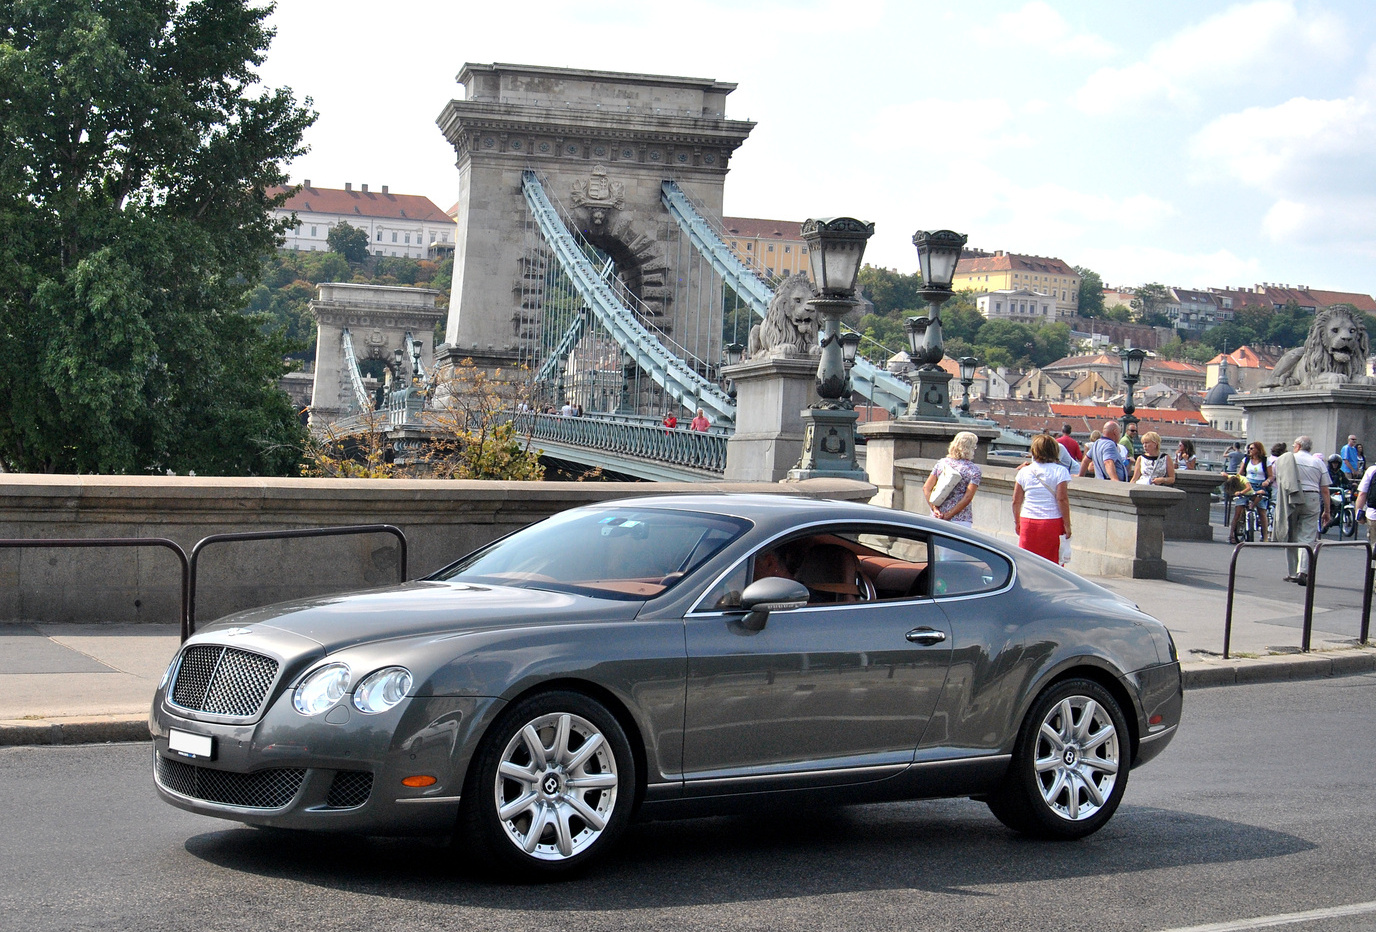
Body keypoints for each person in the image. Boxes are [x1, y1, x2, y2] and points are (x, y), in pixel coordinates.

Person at [1274, 436, 1330, 585]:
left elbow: (1278, 479)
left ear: (1298, 446)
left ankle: (1292, 572)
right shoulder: (1318, 462)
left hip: (1292, 497)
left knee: (1291, 534)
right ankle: (1302, 571)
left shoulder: (1288, 459)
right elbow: (1325, 489)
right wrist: (1327, 511)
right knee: (1307, 537)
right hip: (1312, 497)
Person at [1012, 434, 1072, 564]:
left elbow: (1016, 501)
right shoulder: (1060, 471)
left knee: (1026, 562)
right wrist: (1067, 524)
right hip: (1052, 520)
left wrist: (1017, 521)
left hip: (1028, 520)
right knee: (1051, 563)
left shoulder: (1024, 471)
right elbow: (1062, 499)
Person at [923, 431, 982, 526]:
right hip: (961, 519)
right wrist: (949, 514)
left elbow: (926, 488)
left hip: (937, 516)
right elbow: (967, 497)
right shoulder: (974, 470)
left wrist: (934, 509)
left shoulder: (942, 464)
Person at [1229, 441, 1272, 543]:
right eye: (1249, 448)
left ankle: (1265, 536)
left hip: (1259, 485)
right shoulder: (1246, 459)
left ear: (1258, 449)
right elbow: (1240, 473)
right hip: (1247, 484)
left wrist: (1267, 481)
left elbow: (1271, 475)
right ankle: (1231, 535)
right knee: (1238, 511)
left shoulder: (1266, 461)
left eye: (1252, 448)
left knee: (1262, 512)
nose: (1250, 450)